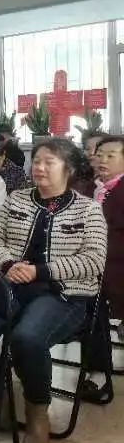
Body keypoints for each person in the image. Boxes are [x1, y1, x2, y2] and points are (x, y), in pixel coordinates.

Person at [0, 138, 107, 443]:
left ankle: (37, 412)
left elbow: (94, 260)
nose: (39, 167)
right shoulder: (17, 199)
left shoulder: (89, 210)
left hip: (62, 294)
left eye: (49, 162)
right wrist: (8, 264)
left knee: (27, 338)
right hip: (10, 285)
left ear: (68, 169)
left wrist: (40, 271)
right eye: (37, 161)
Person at [95, 136, 124, 327]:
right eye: (99, 155)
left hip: (115, 265)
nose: (103, 160)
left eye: (110, 156)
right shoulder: (93, 187)